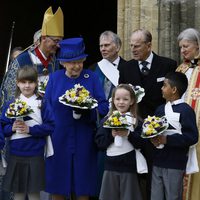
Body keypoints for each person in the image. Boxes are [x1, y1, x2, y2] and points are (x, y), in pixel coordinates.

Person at [44, 37, 109, 200]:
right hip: (58, 139)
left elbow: (103, 106)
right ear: (63, 63)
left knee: (83, 185)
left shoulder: (91, 78)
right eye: (72, 62)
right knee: (58, 184)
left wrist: (86, 111)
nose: (77, 66)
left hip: (84, 138)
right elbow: (46, 108)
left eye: (80, 61)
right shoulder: (54, 78)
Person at [118, 28, 177, 200]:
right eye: (131, 46)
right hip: (133, 128)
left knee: (155, 174)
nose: (133, 50)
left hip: (157, 129)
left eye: (137, 46)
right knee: (133, 173)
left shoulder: (168, 65)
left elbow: (173, 97)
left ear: (149, 45)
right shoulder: (126, 67)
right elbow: (121, 96)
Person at [0, 66, 54, 200]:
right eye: (23, 82)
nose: (27, 86)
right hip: (16, 153)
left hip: (35, 153)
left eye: (30, 82)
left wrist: (31, 130)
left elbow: (51, 126)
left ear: (36, 83)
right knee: (18, 193)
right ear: (17, 83)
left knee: (34, 193)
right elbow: (3, 127)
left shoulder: (42, 103)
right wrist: (11, 128)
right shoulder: (11, 104)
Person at [150, 72, 199, 200]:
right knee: (155, 196)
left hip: (175, 162)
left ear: (174, 89)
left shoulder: (186, 110)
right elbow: (152, 129)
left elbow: (192, 137)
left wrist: (168, 139)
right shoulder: (160, 109)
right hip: (158, 160)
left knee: (173, 196)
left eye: (164, 85)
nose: (161, 88)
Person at [95, 84, 145, 200]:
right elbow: (100, 143)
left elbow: (142, 143)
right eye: (118, 99)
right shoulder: (107, 120)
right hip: (110, 167)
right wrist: (111, 136)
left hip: (129, 168)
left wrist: (128, 134)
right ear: (113, 101)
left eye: (125, 99)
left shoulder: (136, 121)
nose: (121, 102)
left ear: (132, 101)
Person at [176, 27, 200, 200]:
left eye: (186, 46)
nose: (183, 50)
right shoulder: (180, 69)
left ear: (198, 46)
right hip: (180, 130)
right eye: (181, 47)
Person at [90, 30, 126, 100]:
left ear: (117, 47)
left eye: (106, 45)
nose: (103, 49)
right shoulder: (92, 69)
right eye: (101, 46)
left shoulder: (128, 67)